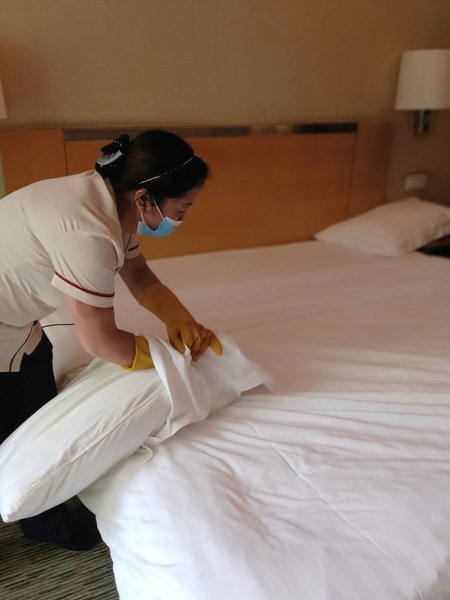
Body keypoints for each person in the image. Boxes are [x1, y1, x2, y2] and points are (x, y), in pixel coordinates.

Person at [0, 129, 222, 550]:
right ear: (145, 198)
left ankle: (44, 514)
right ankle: (44, 521)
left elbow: (138, 275)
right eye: (183, 208)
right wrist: (164, 359)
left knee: (35, 390)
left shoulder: (111, 200)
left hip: (16, 321)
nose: (183, 218)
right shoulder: (88, 233)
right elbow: (100, 340)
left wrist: (180, 319)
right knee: (18, 415)